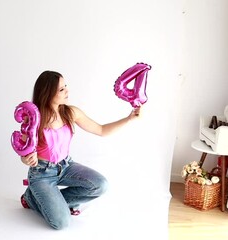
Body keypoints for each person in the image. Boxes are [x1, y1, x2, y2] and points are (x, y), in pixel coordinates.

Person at [20, 70, 141, 230]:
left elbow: (101, 130)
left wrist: (129, 119)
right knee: (61, 223)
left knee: (101, 185)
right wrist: (26, 159)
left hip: (66, 166)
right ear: (47, 92)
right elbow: (24, 152)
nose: (67, 91)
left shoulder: (71, 112)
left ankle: (47, 201)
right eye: (61, 89)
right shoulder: (34, 118)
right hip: (42, 173)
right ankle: (30, 198)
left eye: (66, 86)